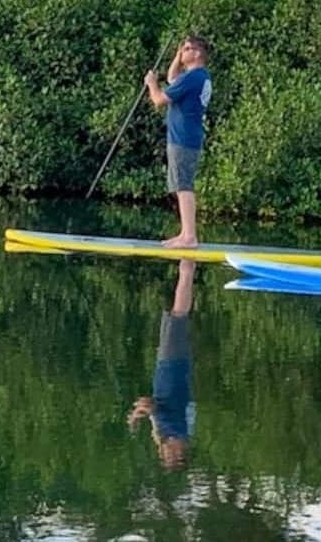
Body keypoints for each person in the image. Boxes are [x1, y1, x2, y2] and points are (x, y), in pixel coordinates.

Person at [127, 259, 197, 470]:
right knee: (178, 316)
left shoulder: (180, 430)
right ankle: (187, 268)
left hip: (170, 367)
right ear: (178, 453)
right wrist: (137, 414)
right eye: (169, 456)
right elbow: (150, 404)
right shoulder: (176, 429)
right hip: (173, 366)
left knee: (176, 316)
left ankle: (187, 269)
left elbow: (155, 409)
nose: (165, 453)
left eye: (164, 456)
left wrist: (142, 415)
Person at [144, 36, 212, 248]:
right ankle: (185, 234)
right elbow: (173, 77)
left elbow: (159, 100)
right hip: (184, 137)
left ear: (198, 54)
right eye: (182, 49)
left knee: (184, 186)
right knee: (180, 185)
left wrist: (152, 84)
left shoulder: (193, 77)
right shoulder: (197, 77)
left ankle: (190, 237)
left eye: (187, 49)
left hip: (183, 138)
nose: (183, 52)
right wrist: (177, 56)